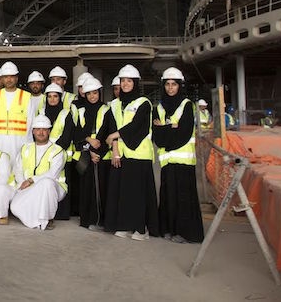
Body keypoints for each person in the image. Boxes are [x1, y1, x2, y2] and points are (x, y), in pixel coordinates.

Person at [103, 64, 159, 240]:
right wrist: (115, 150)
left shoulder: (144, 103)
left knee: (137, 194)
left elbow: (137, 128)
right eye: (123, 81)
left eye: (129, 81)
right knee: (122, 193)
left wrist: (115, 135)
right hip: (122, 154)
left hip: (139, 154)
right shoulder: (115, 105)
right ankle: (124, 225)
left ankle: (141, 229)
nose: (125, 84)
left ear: (135, 83)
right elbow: (112, 128)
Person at [152, 67, 204, 243]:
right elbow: (157, 136)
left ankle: (183, 232)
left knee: (183, 198)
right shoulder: (158, 108)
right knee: (168, 196)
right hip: (167, 162)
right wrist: (171, 128)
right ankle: (168, 229)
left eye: (174, 84)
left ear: (180, 86)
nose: (170, 88)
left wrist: (165, 129)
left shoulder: (186, 105)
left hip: (183, 161)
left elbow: (184, 132)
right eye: (167, 84)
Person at [9, 115, 67, 230]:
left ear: (49, 131)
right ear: (33, 131)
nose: (41, 132)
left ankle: (47, 218)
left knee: (46, 183)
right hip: (28, 186)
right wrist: (22, 183)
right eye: (38, 129)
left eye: (44, 129)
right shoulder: (25, 148)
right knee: (14, 207)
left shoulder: (58, 150)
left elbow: (52, 174)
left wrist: (31, 180)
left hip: (54, 188)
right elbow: (18, 169)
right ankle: (36, 220)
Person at [72, 77, 111, 231]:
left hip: (100, 155)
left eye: (95, 93)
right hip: (86, 154)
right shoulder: (80, 111)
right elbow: (77, 132)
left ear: (99, 93)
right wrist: (88, 143)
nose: (92, 96)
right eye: (89, 94)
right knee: (86, 188)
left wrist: (97, 152)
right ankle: (87, 220)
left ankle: (99, 220)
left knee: (101, 188)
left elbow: (107, 131)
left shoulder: (106, 110)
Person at [41, 83, 75, 219]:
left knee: (61, 182)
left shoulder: (66, 113)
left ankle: (61, 214)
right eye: (49, 97)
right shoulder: (42, 113)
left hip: (61, 154)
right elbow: (38, 132)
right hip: (43, 154)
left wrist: (53, 150)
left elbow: (67, 136)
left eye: (55, 96)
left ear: (60, 98)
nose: (52, 99)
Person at [0, 61, 34, 161]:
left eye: (11, 76)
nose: (9, 80)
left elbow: (30, 122)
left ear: (16, 78)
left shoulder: (26, 97)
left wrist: (28, 144)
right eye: (6, 77)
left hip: (20, 142)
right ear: (2, 79)